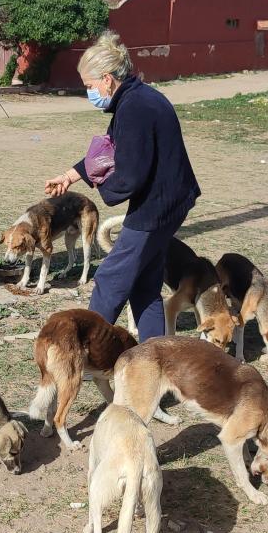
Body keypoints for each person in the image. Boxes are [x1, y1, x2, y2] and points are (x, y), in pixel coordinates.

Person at [44, 31, 200, 340]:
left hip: (157, 207)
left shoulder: (135, 108)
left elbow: (130, 177)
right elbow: (109, 151)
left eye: (89, 86)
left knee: (110, 279)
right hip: (169, 202)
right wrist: (70, 176)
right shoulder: (138, 97)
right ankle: (157, 356)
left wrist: (104, 188)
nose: (88, 93)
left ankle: (86, 352)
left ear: (106, 79)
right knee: (144, 285)